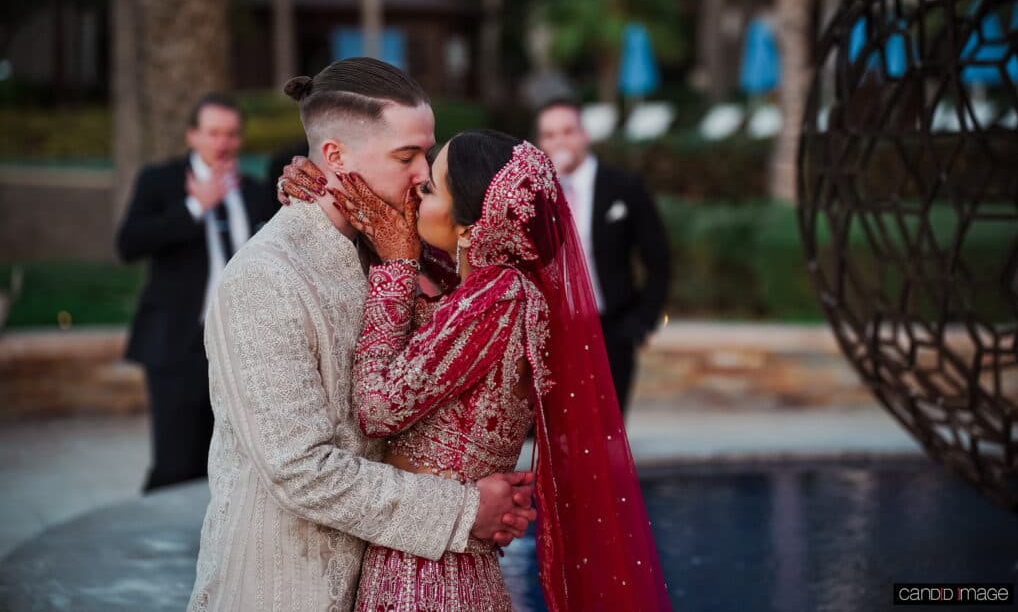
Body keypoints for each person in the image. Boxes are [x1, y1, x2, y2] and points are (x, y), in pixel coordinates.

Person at [188, 59, 535, 612]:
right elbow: (301, 471)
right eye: (406, 156)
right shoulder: (265, 278)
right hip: (287, 589)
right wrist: (466, 509)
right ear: (335, 156)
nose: (423, 174)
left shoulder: (394, 249)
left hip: (395, 582)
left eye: (427, 153)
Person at [284, 129, 671, 610]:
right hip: (442, 554)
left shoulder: (498, 297)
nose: (415, 189)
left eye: (429, 188)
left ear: (470, 227)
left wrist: (397, 267)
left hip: (425, 574)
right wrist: (321, 186)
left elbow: (377, 409)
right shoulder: (490, 289)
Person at [116, 92, 267, 492]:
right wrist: (194, 208)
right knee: (175, 464)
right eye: (213, 133)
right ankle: (157, 529)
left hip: (240, 346)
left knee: (229, 462)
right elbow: (128, 244)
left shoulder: (255, 192)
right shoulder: (160, 181)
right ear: (192, 135)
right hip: (178, 345)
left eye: (231, 134)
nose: (223, 143)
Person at [535, 98, 671, 415]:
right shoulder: (534, 194)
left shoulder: (623, 186)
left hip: (609, 328)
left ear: (584, 134)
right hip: (550, 331)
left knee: (606, 425)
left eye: (568, 131)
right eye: (550, 135)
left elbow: (658, 258)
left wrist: (642, 322)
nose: (560, 142)